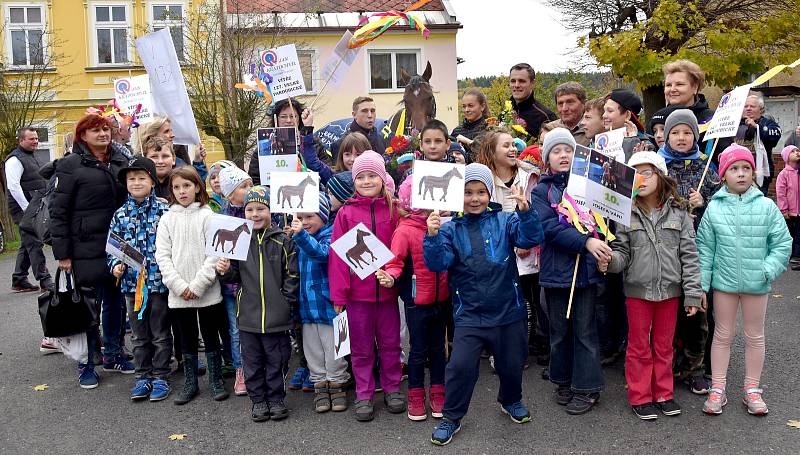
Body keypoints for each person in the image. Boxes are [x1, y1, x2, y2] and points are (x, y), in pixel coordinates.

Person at [424, 163, 543, 445]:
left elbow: (531, 237)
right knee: (461, 367)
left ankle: (510, 399)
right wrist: (431, 235)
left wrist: (526, 212)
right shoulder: (449, 228)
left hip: (508, 311)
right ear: (457, 195)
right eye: (467, 192)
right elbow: (437, 262)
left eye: (480, 192)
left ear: (490, 193)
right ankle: (451, 417)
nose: (474, 198)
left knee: (512, 364)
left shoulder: (506, 220)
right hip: (470, 315)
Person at [599, 152, 704, 420]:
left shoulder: (679, 212)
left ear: (661, 175)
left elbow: (689, 256)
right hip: (637, 292)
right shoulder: (624, 214)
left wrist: (692, 294)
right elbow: (622, 254)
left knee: (664, 346)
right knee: (638, 346)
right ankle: (640, 396)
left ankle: (664, 393)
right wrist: (609, 261)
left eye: (647, 173)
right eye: (634, 174)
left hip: (670, 293)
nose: (641, 179)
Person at [697, 144, 792, 415]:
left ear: (753, 172)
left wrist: (768, 270)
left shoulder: (766, 206)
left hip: (756, 284)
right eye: (734, 169)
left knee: (755, 336)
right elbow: (704, 249)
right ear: (723, 174)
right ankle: (718, 388)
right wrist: (703, 285)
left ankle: (752, 388)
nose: (741, 174)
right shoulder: (714, 209)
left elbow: (782, 243)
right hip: (724, 284)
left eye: (746, 168)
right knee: (722, 335)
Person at [49, 113, 132, 388]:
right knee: (87, 307)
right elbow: (58, 211)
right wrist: (63, 253)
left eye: (106, 129)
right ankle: (87, 362)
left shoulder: (120, 161)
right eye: (95, 130)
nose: (103, 134)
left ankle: (114, 353)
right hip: (84, 247)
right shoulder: (70, 165)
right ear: (83, 136)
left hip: (116, 245)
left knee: (116, 302)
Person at [531, 128, 610, 415]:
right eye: (556, 151)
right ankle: (563, 379)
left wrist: (597, 245)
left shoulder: (590, 188)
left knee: (585, 331)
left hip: (584, 273)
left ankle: (587, 387)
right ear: (547, 159)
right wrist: (584, 242)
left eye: (568, 150)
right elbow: (548, 228)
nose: (563, 155)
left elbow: (601, 223)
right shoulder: (542, 191)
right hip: (555, 273)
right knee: (560, 330)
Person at [329, 151, 404, 422]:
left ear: (383, 179)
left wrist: (395, 277)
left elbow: (400, 247)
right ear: (354, 181)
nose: (367, 181)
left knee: (390, 343)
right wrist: (339, 295)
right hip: (357, 297)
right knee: (361, 348)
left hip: (387, 293)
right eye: (361, 177)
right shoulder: (346, 214)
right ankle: (364, 392)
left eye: (372, 175)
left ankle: (393, 387)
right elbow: (337, 258)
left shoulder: (394, 209)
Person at [217, 185, 299, 422]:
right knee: (252, 363)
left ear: (270, 211)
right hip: (248, 318)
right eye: (250, 209)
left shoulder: (283, 241)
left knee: (277, 361)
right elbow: (234, 275)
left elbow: (292, 275)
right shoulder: (240, 240)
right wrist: (223, 270)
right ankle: (258, 400)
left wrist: (286, 304)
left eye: (260, 209)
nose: (255, 214)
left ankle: (275, 399)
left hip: (277, 318)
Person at [656, 108, 720, 395]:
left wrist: (703, 200)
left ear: (695, 135)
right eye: (675, 132)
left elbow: (723, 205)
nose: (681, 138)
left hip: (699, 250)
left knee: (698, 312)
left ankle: (696, 368)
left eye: (687, 132)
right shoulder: (658, 166)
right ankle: (669, 364)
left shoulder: (706, 167)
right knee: (669, 311)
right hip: (667, 249)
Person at [380, 176, 449, 421]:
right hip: (416, 300)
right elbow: (395, 261)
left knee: (439, 349)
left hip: (442, 297)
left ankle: (439, 392)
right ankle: (416, 394)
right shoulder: (405, 230)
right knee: (418, 350)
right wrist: (391, 277)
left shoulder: (445, 225)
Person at [155, 166, 226, 405]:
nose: (182, 191)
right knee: (185, 337)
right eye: (177, 187)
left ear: (197, 187)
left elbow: (215, 254)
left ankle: (216, 380)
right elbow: (162, 255)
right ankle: (190, 382)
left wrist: (197, 285)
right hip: (178, 294)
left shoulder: (209, 216)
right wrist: (177, 285)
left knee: (210, 334)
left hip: (206, 291)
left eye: (187, 186)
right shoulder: (167, 219)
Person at [108, 156, 172, 402]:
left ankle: (161, 376)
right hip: (131, 287)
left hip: (158, 284)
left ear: (152, 182)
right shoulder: (120, 215)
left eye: (141, 178)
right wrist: (115, 266)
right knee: (138, 334)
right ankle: (142, 376)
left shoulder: (164, 211)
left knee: (160, 333)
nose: (136, 183)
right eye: (131, 179)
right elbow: (112, 250)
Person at [474, 128, 541, 364]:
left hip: (527, 252)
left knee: (525, 304)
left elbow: (535, 213)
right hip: (498, 253)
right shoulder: (483, 182)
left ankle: (520, 349)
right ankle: (498, 349)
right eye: (506, 145)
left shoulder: (530, 175)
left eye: (514, 144)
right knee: (501, 303)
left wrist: (525, 242)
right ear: (491, 152)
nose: (513, 149)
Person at [288, 193, 350, 414]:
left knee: (335, 350)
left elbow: (323, 254)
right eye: (300, 217)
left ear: (323, 216)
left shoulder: (330, 235)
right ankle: (320, 386)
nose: (304, 222)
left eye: (309, 216)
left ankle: (337, 384)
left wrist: (300, 236)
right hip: (306, 310)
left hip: (330, 307)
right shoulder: (297, 237)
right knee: (313, 351)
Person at [217, 165, 254, 396]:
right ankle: (241, 369)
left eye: (250, 184)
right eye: (244, 186)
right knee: (236, 329)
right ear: (230, 194)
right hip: (232, 286)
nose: (250, 189)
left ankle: (256, 367)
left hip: (255, 281)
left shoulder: (258, 212)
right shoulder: (223, 219)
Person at [5, 127, 51, 293]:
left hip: (34, 205)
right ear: (21, 140)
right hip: (23, 208)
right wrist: (27, 209)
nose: (36, 141)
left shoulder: (32, 156)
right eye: (31, 139)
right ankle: (45, 280)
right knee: (34, 241)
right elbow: (14, 187)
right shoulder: (15, 160)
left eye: (37, 139)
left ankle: (19, 278)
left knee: (27, 242)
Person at [737, 91, 782, 195]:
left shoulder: (767, 123)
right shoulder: (735, 125)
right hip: (738, 173)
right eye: (745, 106)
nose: (748, 108)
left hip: (759, 175)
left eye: (752, 106)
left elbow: (775, 136)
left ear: (760, 109)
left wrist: (757, 127)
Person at [138, 115, 208, 181]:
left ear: (173, 159)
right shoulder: (136, 164)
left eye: (165, 156)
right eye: (166, 131)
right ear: (152, 135)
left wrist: (198, 161)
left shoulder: (179, 162)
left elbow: (194, 185)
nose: (172, 135)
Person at [508, 63, 557, 140]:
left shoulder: (545, 116)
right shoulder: (505, 112)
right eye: (513, 81)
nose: (516, 85)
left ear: (532, 83)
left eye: (522, 81)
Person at [601, 89, 648, 161]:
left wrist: (631, 142)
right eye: (604, 111)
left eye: (610, 111)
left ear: (627, 115)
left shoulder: (645, 145)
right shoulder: (601, 140)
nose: (604, 115)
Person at [542, 82, 590, 146]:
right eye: (560, 103)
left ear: (584, 104)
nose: (564, 109)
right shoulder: (549, 129)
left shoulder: (593, 130)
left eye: (570, 102)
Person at [776, 145, 800, 270]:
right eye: (793, 151)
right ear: (786, 157)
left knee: (798, 235)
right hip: (789, 212)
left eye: (797, 150)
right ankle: (787, 255)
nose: (797, 152)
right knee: (789, 234)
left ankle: (796, 257)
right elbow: (781, 193)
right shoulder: (784, 174)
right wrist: (783, 209)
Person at [452, 89, 490, 160]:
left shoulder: (489, 130)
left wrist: (468, 142)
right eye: (464, 106)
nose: (466, 110)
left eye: (470, 106)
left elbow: (490, 155)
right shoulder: (457, 131)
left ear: (482, 107)